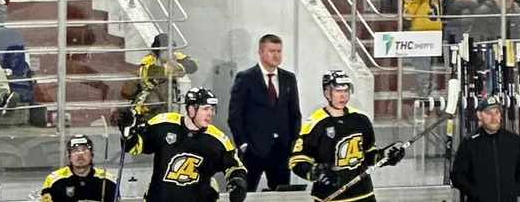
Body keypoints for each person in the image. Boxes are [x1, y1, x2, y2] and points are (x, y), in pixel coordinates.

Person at [116, 87, 248, 202]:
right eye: (205, 109)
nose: (210, 114)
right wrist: (128, 130)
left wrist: (238, 182)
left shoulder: (217, 139)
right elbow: (132, 146)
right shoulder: (165, 124)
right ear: (191, 110)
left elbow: (235, 167)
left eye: (212, 109)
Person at [288, 70, 404, 201]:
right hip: (330, 196)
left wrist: (386, 155)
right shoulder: (315, 123)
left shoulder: (360, 120)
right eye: (338, 91)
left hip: (363, 194)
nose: (343, 95)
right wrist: (315, 172)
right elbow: (296, 161)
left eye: (346, 90)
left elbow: (369, 155)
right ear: (327, 93)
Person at [228, 33, 302, 192]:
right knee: (246, 192)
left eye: (279, 51)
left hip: (281, 149)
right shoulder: (246, 78)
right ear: (261, 52)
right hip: (253, 149)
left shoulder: (289, 78)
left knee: (282, 194)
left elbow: (294, 113)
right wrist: (243, 144)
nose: (276, 55)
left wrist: (292, 142)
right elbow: (235, 114)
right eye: (272, 51)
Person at [450, 94, 520, 202]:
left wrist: (515, 191)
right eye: (488, 113)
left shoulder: (513, 140)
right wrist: (475, 194)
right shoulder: (469, 143)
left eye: (497, 112)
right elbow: (457, 176)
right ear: (479, 115)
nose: (494, 117)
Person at [40, 136, 118, 202]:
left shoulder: (107, 180)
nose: (80, 154)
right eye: (75, 150)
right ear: (69, 157)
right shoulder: (54, 180)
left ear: (92, 155)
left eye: (84, 150)